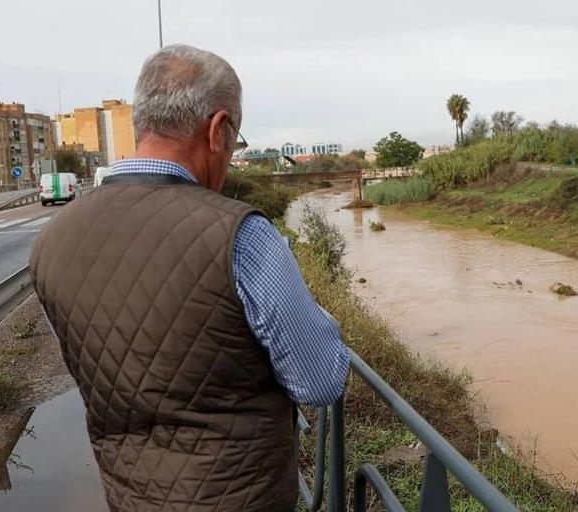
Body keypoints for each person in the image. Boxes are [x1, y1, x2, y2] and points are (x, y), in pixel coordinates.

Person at [30, 44, 349, 512]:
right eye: (235, 138)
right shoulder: (243, 237)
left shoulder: (51, 242)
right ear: (218, 129)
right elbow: (320, 379)